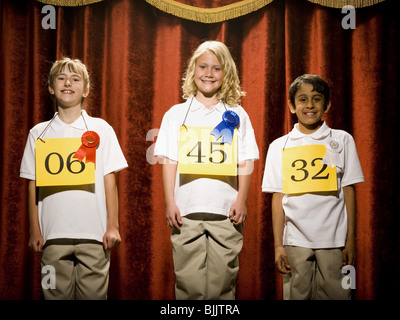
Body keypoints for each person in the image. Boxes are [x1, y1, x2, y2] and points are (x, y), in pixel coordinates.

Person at [154, 41, 259, 300]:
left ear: (227, 73)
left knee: (222, 287)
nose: (209, 74)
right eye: (203, 67)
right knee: (189, 285)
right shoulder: (175, 114)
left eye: (217, 68)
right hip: (186, 211)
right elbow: (169, 160)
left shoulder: (237, 114)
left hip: (225, 212)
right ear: (193, 70)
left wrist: (241, 200)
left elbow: (245, 160)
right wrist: (170, 202)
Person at [20, 57, 128, 299]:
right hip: (52, 237)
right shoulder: (38, 133)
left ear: (86, 90)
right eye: (61, 78)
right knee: (53, 295)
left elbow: (109, 179)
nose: (68, 83)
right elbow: (32, 184)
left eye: (75, 79)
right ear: (51, 87)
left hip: (94, 235)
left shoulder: (101, 129)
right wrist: (35, 230)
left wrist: (113, 225)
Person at [262, 74, 364, 300]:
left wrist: (350, 241)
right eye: (302, 99)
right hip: (295, 241)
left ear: (327, 104)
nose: (309, 105)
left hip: (335, 240)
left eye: (317, 99)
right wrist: (279, 245)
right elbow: (278, 197)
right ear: (291, 105)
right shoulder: (279, 146)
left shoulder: (342, 140)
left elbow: (348, 191)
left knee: (340, 294)